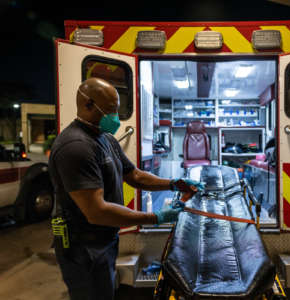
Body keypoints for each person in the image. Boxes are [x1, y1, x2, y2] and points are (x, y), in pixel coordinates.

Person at [48, 77, 203, 300]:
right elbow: (97, 211)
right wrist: (155, 217)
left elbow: (135, 175)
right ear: (88, 105)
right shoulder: (75, 147)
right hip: (83, 248)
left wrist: (173, 183)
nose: (116, 118)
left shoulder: (105, 139)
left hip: (104, 240)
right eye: (111, 110)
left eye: (117, 110)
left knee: (107, 292)